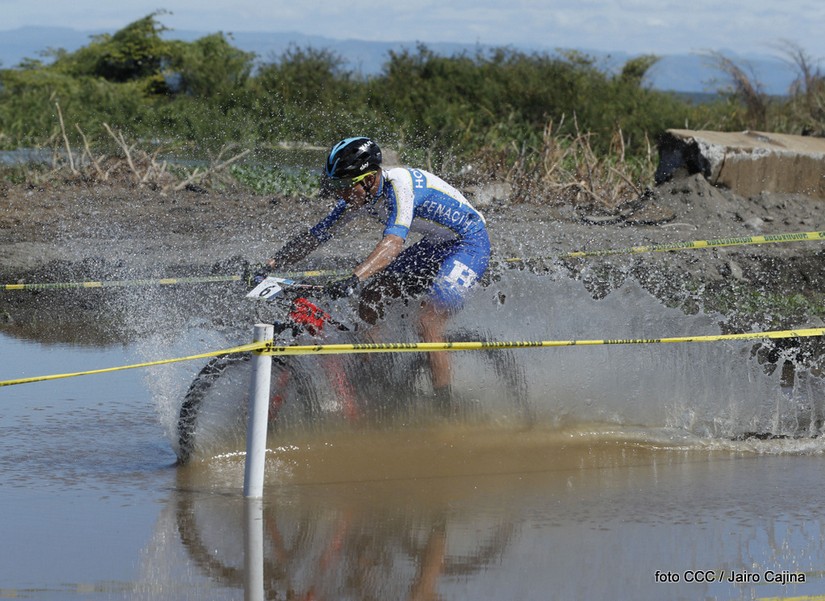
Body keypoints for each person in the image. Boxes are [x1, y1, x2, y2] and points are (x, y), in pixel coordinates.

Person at [257, 136, 491, 402]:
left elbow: (393, 244)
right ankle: (375, 378)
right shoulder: (360, 197)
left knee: (427, 321)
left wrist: (354, 278)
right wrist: (269, 265)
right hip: (434, 244)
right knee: (371, 297)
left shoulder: (400, 186)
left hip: (468, 243)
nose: (341, 194)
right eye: (336, 186)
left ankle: (445, 405)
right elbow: (315, 237)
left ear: (368, 179)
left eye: (345, 186)